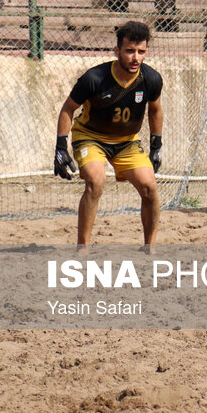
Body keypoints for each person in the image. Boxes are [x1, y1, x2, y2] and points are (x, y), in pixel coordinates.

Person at [54, 21, 164, 249]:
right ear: (117, 52)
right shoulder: (94, 79)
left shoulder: (151, 79)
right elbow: (68, 109)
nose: (135, 57)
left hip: (127, 142)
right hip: (91, 138)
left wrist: (157, 144)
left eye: (141, 51)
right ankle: (82, 249)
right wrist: (60, 147)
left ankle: (149, 249)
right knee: (96, 181)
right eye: (130, 51)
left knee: (150, 188)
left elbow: (155, 110)